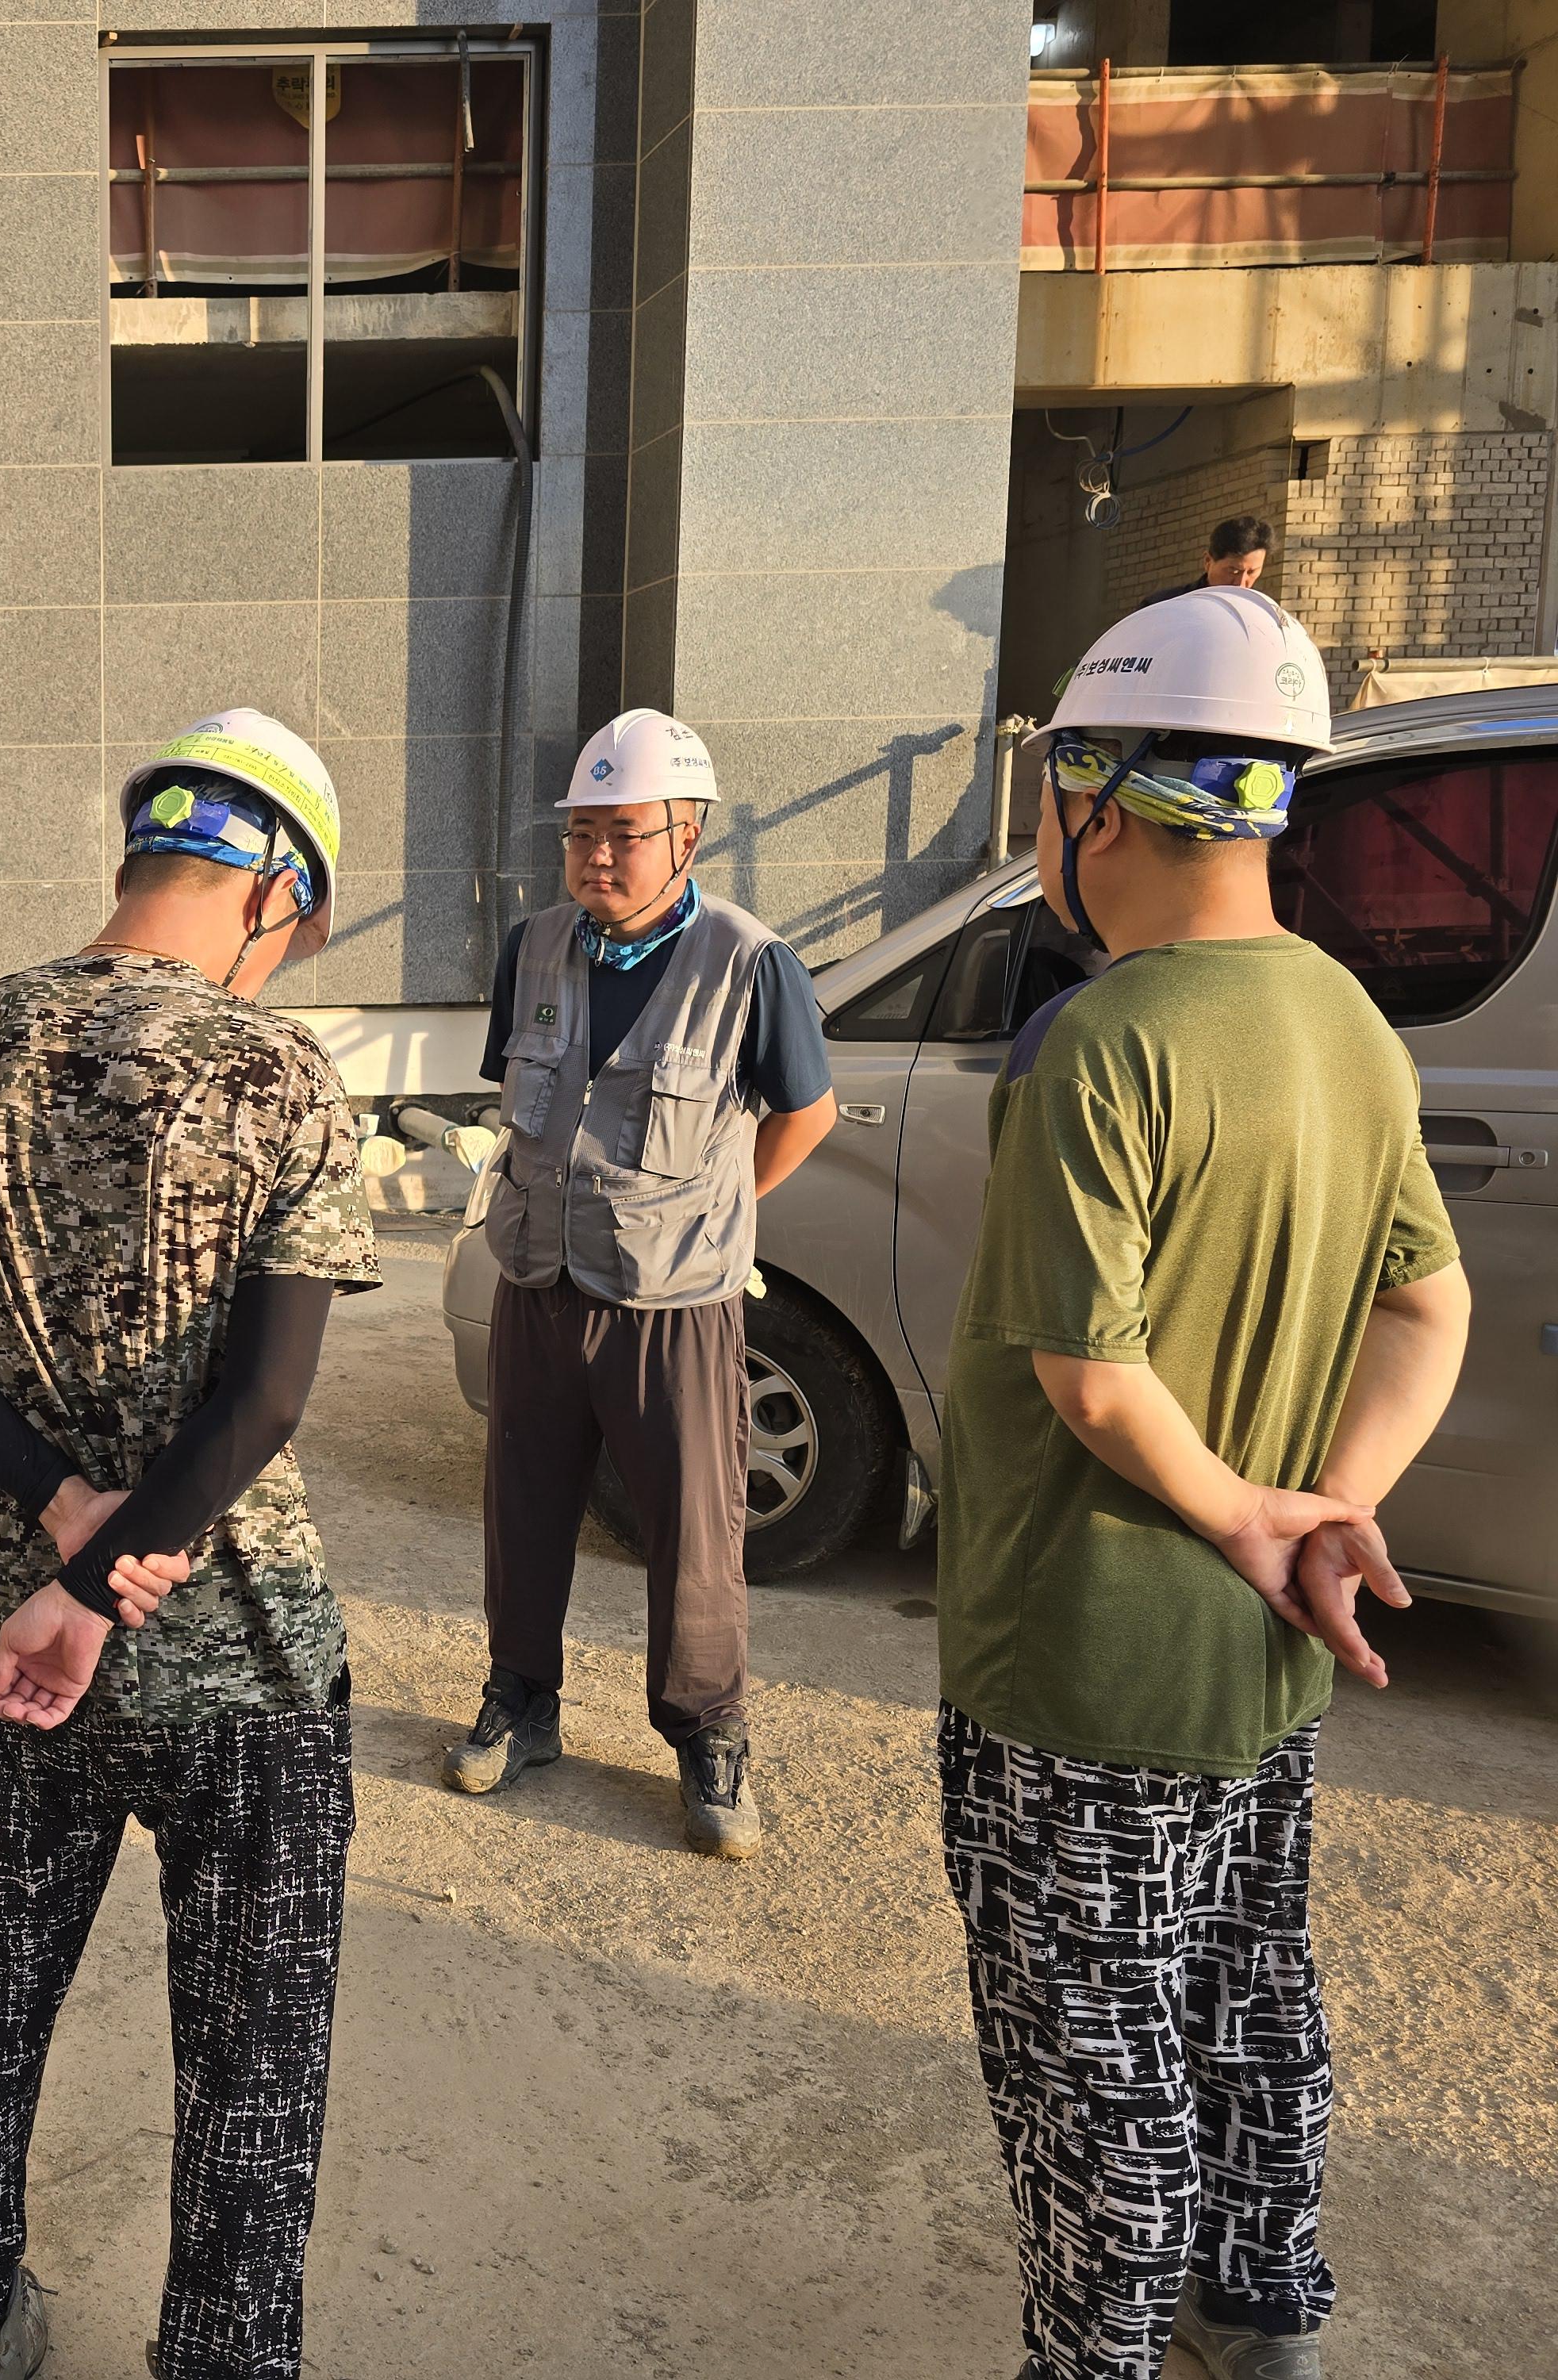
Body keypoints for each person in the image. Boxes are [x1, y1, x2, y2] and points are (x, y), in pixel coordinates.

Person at [937, 586, 1470, 2380]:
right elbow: (1429, 1303)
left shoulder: (1105, 1042)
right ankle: (1260, 2311)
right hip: (1264, 1656)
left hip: (1082, 1657)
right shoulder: (1346, 1019)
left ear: (1095, 796)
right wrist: (1329, 1506)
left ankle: (1092, 2353)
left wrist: (1240, 1508)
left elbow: (1091, 1376)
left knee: (1089, 2057)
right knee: (1247, 1992)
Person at [0, 708, 379, 2380]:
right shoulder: (279, 1074)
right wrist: (118, 1565)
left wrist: (60, 1520)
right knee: (249, 2065)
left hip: (25, 1648)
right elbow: (266, 1397)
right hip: (246, 1661)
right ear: (273, 892)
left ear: (143, 851)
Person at [440, 708, 838, 1857]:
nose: (596, 856)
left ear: (687, 837)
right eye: (580, 833)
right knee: (523, 1507)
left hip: (674, 1306)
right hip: (536, 1280)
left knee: (694, 1530)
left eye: (624, 833)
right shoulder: (534, 948)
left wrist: (716, 1209)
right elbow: (524, 1100)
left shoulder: (749, 963)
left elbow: (806, 1113)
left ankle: (708, 1733)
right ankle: (522, 1699)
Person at [1142, 512, 1272, 609]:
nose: (1241, 584)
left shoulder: (1264, 614)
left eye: (1251, 572)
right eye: (1234, 571)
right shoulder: (1160, 606)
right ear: (1208, 561)